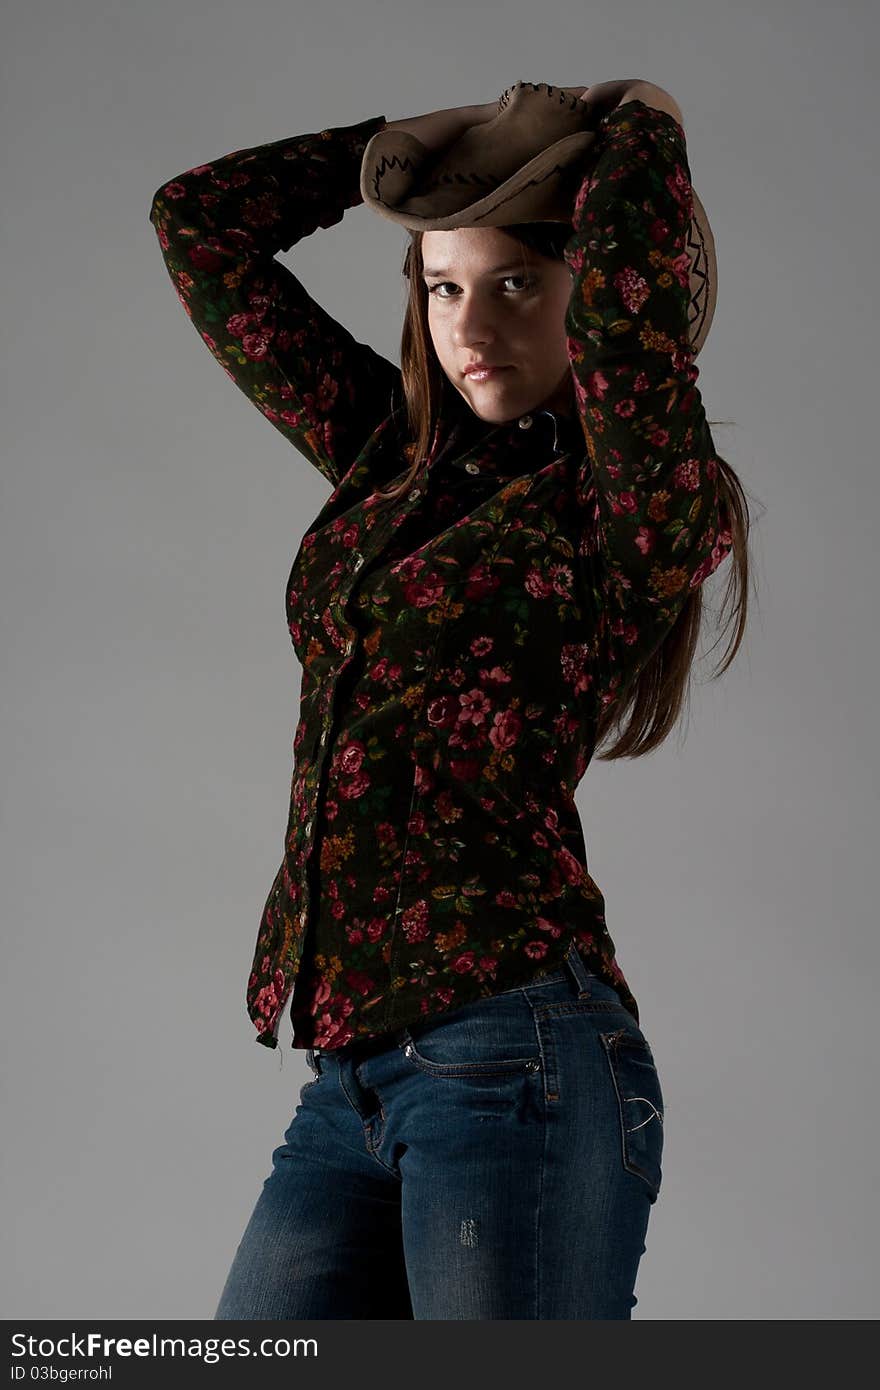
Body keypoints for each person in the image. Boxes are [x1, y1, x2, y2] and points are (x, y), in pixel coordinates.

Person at [149, 79, 752, 1319]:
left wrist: (639, 121)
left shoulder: (635, 503)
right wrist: (395, 153)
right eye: (441, 285)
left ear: (592, 290)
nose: (469, 324)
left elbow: (635, 337)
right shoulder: (393, 457)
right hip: (350, 1081)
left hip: (514, 1051)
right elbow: (198, 226)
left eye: (517, 283)